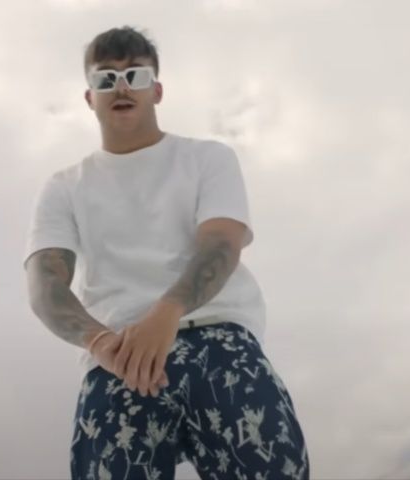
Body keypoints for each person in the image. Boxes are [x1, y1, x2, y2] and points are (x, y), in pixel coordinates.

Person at [23, 25, 310, 480]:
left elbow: (222, 243)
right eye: (106, 78)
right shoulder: (64, 187)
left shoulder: (208, 158)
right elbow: (44, 283)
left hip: (219, 344)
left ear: (156, 90)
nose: (121, 87)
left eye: (135, 75)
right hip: (117, 360)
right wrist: (100, 343)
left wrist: (167, 312)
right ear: (89, 97)